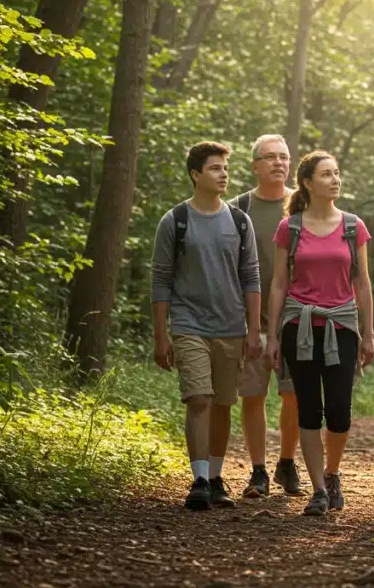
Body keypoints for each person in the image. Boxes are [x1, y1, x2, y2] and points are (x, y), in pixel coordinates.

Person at [151, 141, 262, 510]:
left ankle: (215, 478)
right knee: (199, 399)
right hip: (189, 324)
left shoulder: (239, 220)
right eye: (215, 168)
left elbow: (251, 276)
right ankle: (198, 479)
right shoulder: (175, 221)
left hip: (231, 326)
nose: (223, 174)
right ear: (196, 175)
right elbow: (161, 279)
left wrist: (252, 329)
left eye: (225, 168)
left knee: (222, 405)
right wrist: (161, 335)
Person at [265, 151, 374, 516]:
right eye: (326, 174)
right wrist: (272, 335)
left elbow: (362, 282)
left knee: (340, 412)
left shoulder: (352, 226)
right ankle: (318, 491)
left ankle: (332, 473)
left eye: (337, 173)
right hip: (299, 326)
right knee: (308, 410)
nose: (335, 179)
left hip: (341, 326)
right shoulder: (290, 228)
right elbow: (279, 283)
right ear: (308, 183)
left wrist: (369, 333)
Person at [227, 135, 304, 498]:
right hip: (250, 320)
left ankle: (286, 464)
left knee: (295, 396)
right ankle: (257, 470)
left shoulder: (302, 206)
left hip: (296, 318)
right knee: (253, 396)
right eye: (269, 157)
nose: (278, 162)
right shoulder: (236, 209)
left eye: (284, 157)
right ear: (254, 164)